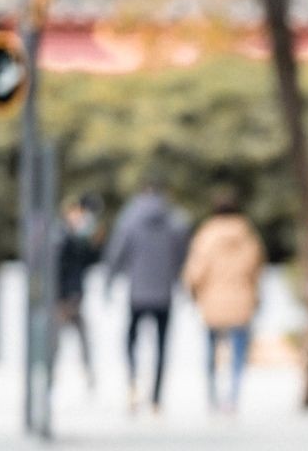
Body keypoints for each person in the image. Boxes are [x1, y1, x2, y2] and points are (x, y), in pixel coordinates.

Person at [104, 176, 189, 413]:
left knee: (130, 340)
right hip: (164, 292)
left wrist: (110, 280)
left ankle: (133, 383)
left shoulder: (129, 219)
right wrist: (178, 280)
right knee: (162, 345)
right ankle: (156, 398)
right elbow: (182, 256)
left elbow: (117, 252)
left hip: (138, 291)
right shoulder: (175, 220)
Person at [182, 186, 266, 413]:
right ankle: (233, 398)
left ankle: (212, 397)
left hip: (212, 301)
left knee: (210, 351)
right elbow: (256, 268)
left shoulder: (205, 235)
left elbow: (196, 271)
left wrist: (192, 291)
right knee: (238, 353)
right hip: (241, 300)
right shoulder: (248, 236)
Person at [52, 195, 101, 390]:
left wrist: (94, 245)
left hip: (73, 295)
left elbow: (86, 262)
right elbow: (59, 268)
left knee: (79, 336)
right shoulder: (62, 236)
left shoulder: (76, 237)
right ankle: (50, 374)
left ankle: (87, 374)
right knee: (57, 340)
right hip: (65, 297)